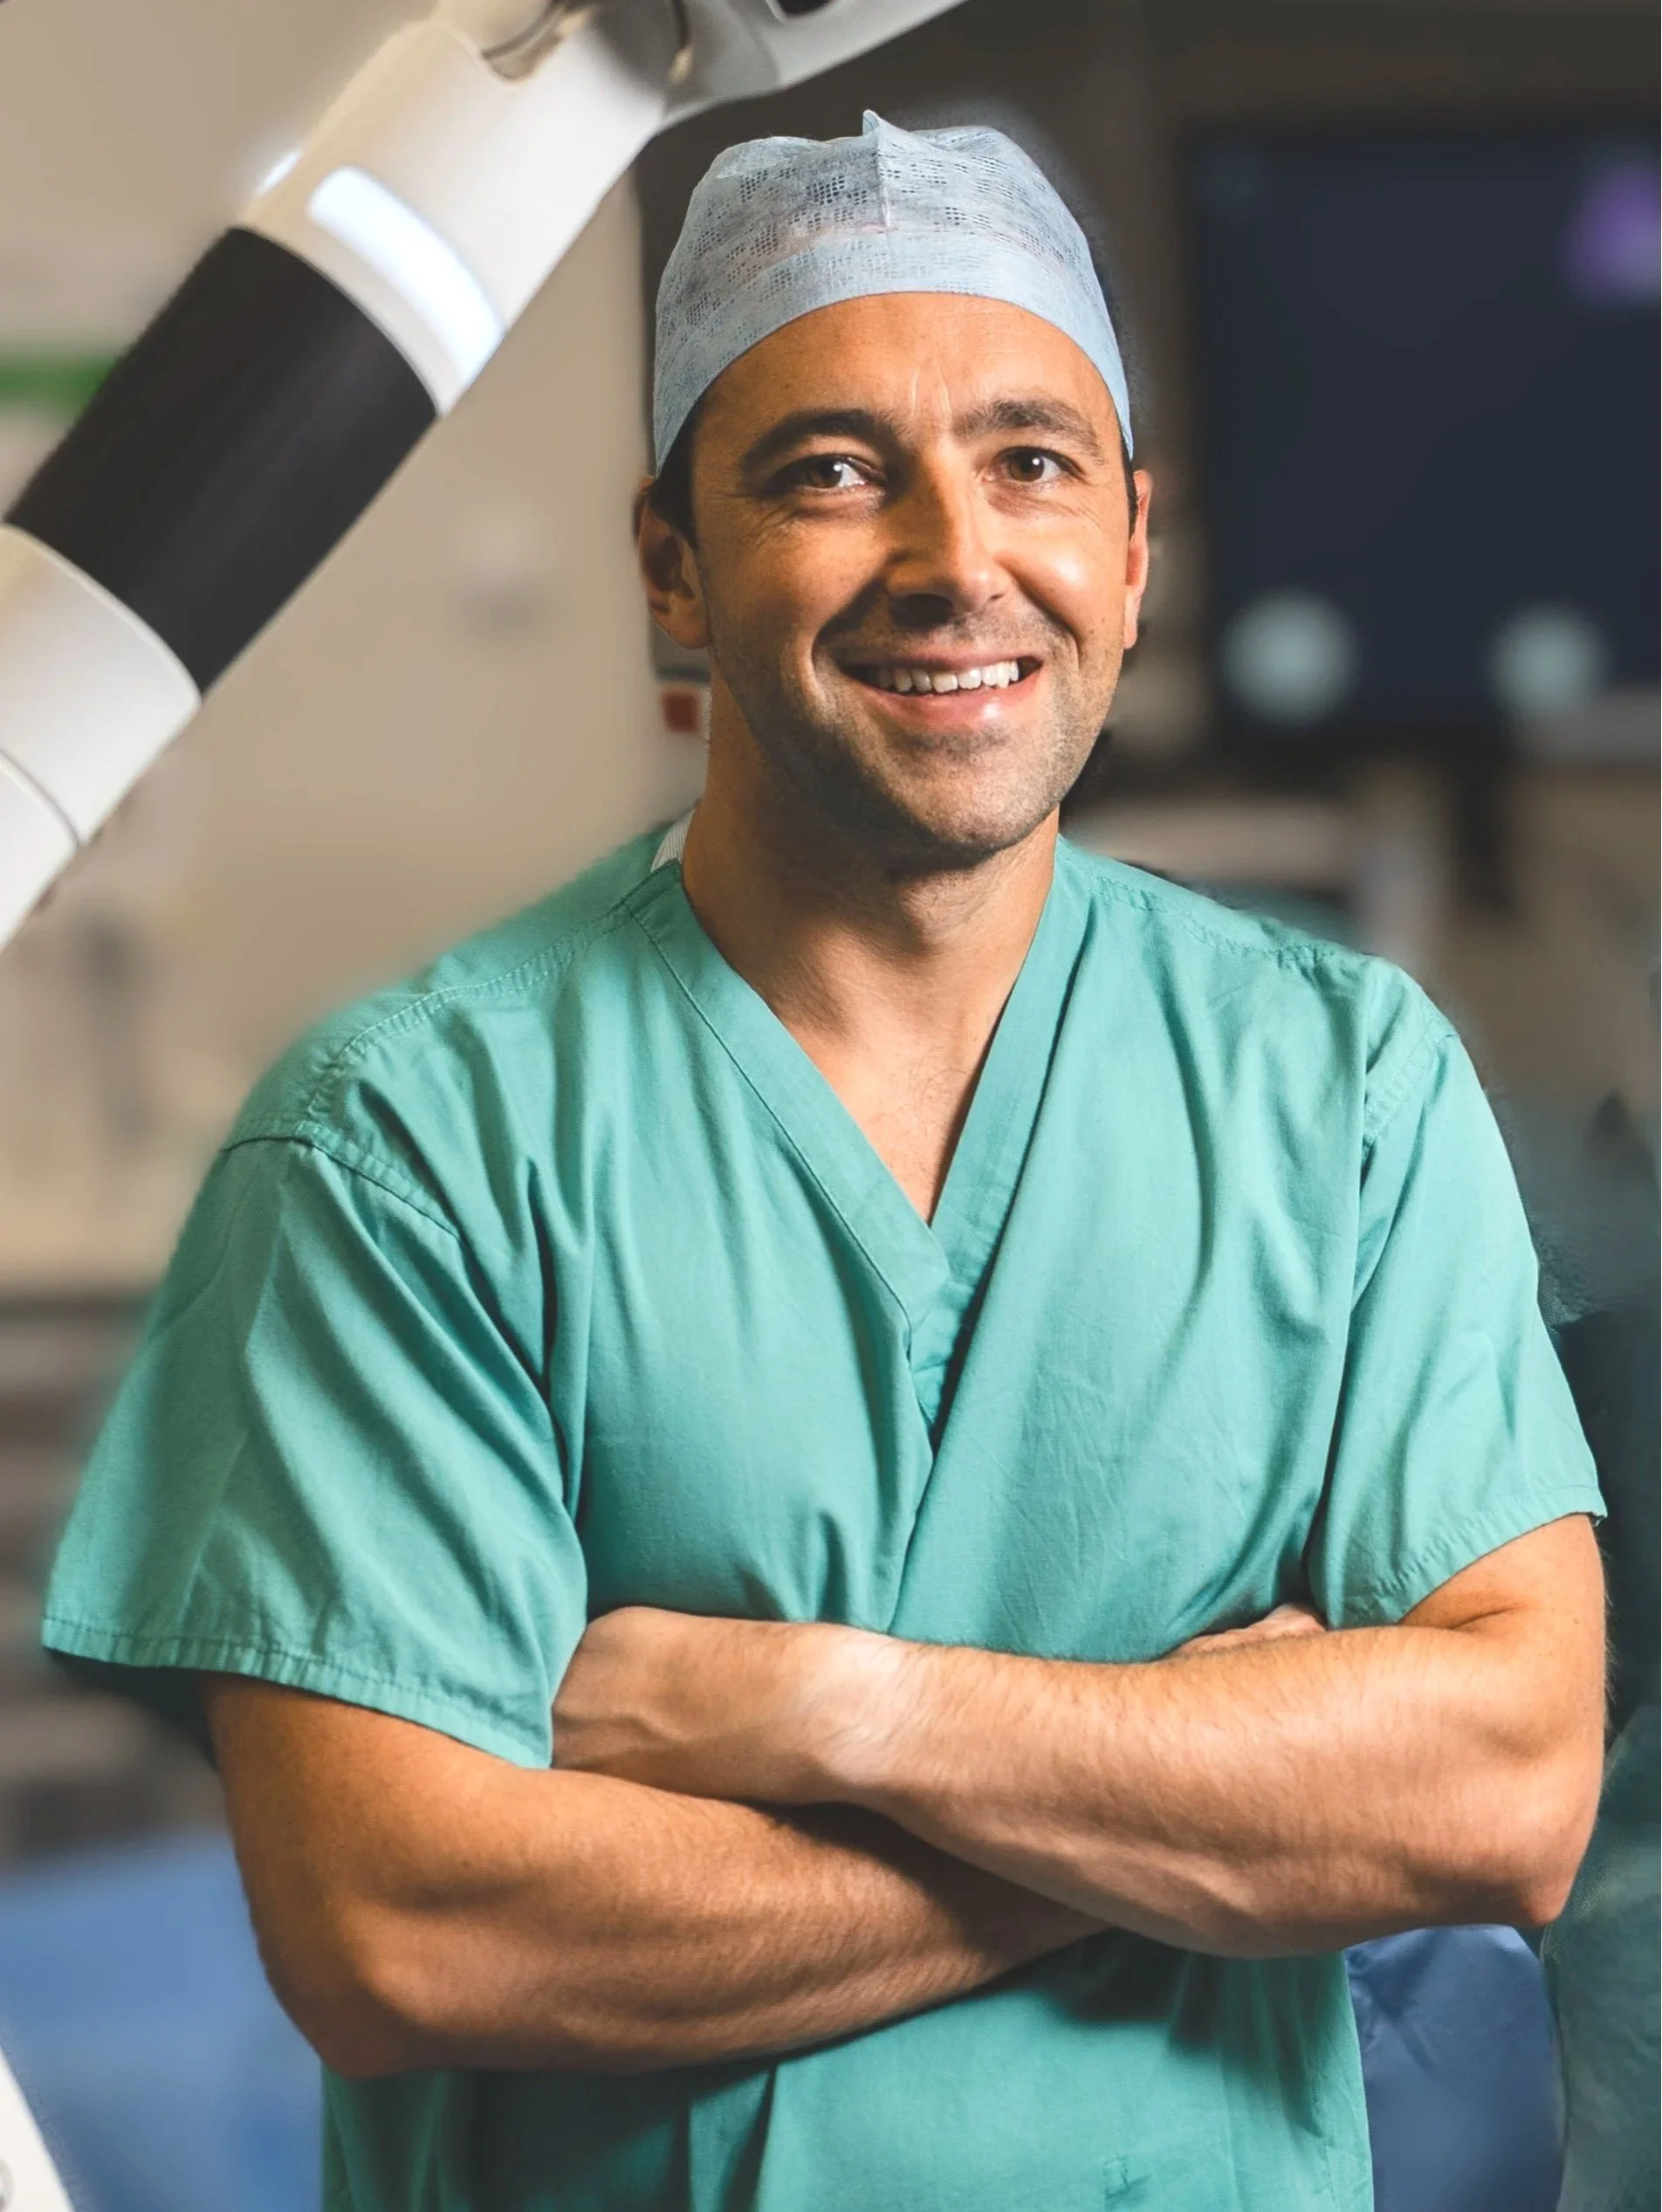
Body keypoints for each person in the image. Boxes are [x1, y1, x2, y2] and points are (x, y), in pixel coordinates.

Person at [42, 113, 1607, 2212]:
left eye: (1032, 460)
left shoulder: (1340, 1093)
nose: (957, 555)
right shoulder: (408, 1146)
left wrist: (837, 1713)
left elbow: (1502, 1788)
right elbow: (410, 1925)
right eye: (831, 470)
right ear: (671, 566)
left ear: (1131, 548)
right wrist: (1182, 1826)